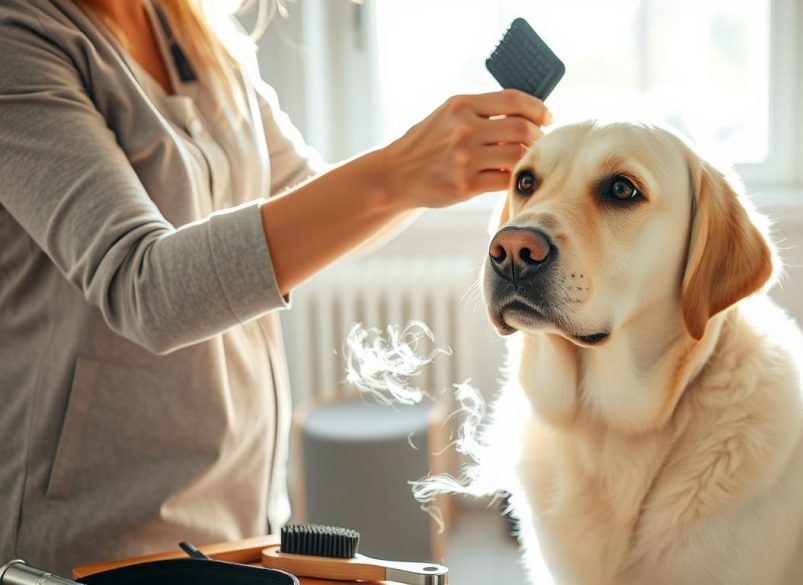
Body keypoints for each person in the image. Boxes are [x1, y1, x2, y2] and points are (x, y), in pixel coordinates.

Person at [0, 0, 552, 575]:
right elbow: (144, 290)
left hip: (243, 512)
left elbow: (311, 201)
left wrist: (433, 165)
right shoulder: (19, 43)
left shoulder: (201, 33)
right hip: (95, 531)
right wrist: (399, 171)